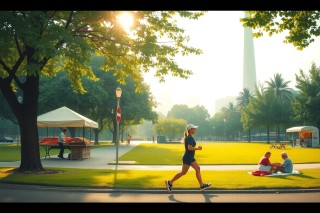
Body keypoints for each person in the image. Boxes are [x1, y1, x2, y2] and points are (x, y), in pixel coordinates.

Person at [165, 124, 211, 192]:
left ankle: (201, 185)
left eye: (195, 128)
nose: (195, 130)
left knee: (197, 168)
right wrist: (197, 148)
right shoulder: (190, 138)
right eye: (194, 128)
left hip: (190, 157)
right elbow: (189, 148)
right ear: (190, 130)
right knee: (183, 172)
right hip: (188, 158)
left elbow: (189, 148)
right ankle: (170, 182)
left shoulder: (189, 137)